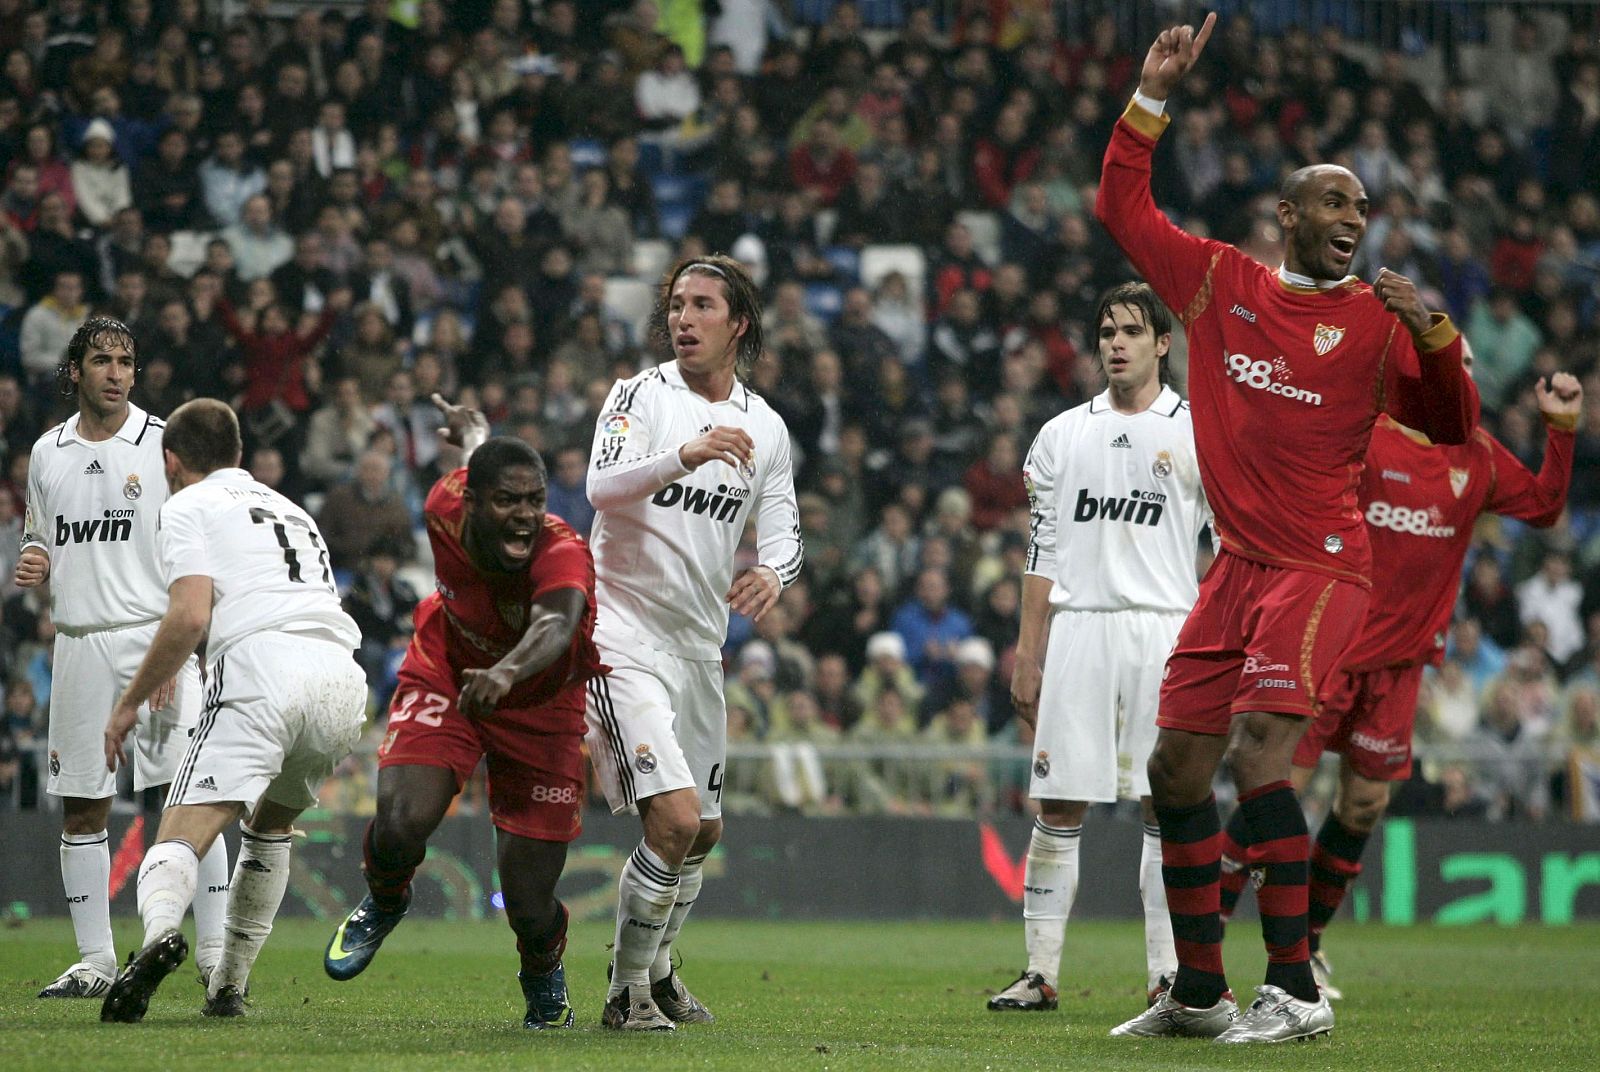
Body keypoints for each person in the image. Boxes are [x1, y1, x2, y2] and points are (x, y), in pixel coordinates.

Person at [1097, 15, 1478, 1044]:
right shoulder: (1220, 283)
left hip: (1321, 566)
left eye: (1361, 203)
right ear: (1288, 215)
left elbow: (1453, 428)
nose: (1353, 212)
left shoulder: (1376, 324)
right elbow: (1120, 206)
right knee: (1173, 774)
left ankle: (1298, 985)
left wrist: (1433, 335)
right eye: (1332, 198)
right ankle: (1197, 993)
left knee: (1262, 755)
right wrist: (1150, 96)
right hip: (1236, 570)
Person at [1218, 354, 1580, 998]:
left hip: (1402, 664)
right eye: (1452, 363)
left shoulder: (1480, 457)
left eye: (1470, 364)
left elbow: (1548, 506)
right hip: (1327, 648)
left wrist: (1562, 428)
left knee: (1363, 805)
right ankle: (1200, 936)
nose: (1463, 373)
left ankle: (1311, 942)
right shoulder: (1366, 435)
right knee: (1276, 790)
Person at [322, 396, 603, 1033]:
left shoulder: (563, 551)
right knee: (400, 820)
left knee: (528, 902)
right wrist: (474, 431)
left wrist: (506, 672)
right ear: (470, 502)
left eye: (536, 501)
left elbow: (557, 624)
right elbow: (475, 461)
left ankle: (541, 965)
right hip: (449, 673)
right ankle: (386, 899)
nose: (527, 516)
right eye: (509, 501)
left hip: (540, 707)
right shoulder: (441, 505)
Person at [584, 254, 802, 1030]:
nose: (683, 318)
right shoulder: (640, 395)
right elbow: (598, 490)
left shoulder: (766, 426)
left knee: (703, 829)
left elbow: (784, 535)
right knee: (672, 822)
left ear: (737, 322)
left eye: (702, 304)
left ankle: (661, 970)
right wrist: (684, 454)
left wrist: (772, 575)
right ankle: (624, 991)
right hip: (622, 634)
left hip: (698, 646)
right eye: (676, 304)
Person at [97, 399, 368, 1022]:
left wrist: (130, 702)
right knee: (270, 829)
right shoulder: (292, 508)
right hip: (339, 678)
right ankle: (227, 988)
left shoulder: (186, 505)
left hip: (262, 668)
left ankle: (161, 934)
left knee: (180, 835)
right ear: (240, 454)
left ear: (172, 461)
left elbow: (191, 614)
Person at [988, 282, 1209, 1018]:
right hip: (1079, 627)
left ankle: (1168, 976)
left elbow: (1225, 548)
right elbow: (1041, 549)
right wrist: (1028, 652)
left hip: (1165, 628)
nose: (1115, 343)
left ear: (1161, 343)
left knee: (1164, 803)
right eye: (1107, 330)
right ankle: (1040, 973)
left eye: (1130, 331)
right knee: (1057, 800)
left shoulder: (1199, 432)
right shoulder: (1059, 435)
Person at [15, 318, 227, 999]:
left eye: (125, 361)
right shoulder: (47, 452)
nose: (114, 372)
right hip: (78, 641)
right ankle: (96, 961)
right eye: (101, 360)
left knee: (188, 797)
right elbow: (42, 535)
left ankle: (217, 957)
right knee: (83, 804)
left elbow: (199, 557)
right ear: (73, 370)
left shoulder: (165, 445)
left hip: (152, 636)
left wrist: (178, 654)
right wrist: (36, 555)